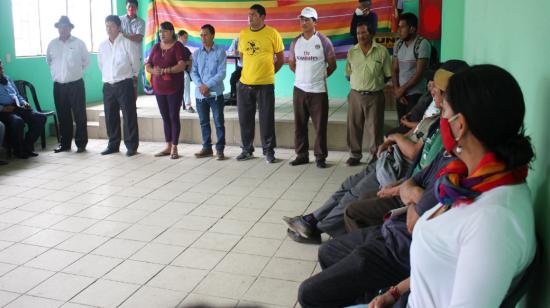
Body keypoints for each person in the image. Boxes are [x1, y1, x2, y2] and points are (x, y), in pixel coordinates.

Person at [371, 65, 536, 307]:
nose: (441, 115)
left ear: (460, 125)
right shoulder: (469, 181)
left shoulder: (494, 220)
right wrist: (394, 293)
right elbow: (442, 266)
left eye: (444, 109)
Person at [283, 60, 469, 244]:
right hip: (393, 159)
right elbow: (417, 132)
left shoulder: (446, 125)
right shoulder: (436, 111)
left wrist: (396, 138)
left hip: (399, 167)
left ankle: (318, 228)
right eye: (433, 84)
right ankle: (311, 220)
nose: (432, 88)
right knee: (348, 185)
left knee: (353, 197)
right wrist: (393, 139)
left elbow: (416, 156)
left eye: (437, 86)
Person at [288, 7, 336, 169]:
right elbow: (292, 64)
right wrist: (303, 77)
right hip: (299, 90)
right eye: (301, 19)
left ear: (315, 22)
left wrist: (318, 77)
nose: (303, 23)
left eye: (307, 19)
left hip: (318, 91)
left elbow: (333, 65)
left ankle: (320, 157)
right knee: (299, 125)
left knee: (320, 126)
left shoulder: (323, 41)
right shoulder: (295, 42)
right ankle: (301, 155)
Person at [236, 3, 285, 163]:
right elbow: (242, 57)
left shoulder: (272, 33)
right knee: (245, 119)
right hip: (245, 84)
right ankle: (247, 149)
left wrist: (267, 73)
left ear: (263, 17)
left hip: (265, 85)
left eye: (253, 15)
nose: (249, 18)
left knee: (266, 119)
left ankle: (269, 151)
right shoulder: (243, 34)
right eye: (248, 15)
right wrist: (251, 72)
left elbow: (280, 58)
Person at [345, 22, 391, 166]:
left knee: (375, 127)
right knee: (353, 126)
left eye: (364, 32)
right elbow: (348, 74)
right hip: (355, 95)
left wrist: (374, 84)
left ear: (371, 34)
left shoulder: (382, 51)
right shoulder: (352, 52)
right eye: (358, 33)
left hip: (375, 96)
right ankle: (354, 154)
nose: (360, 36)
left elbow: (387, 74)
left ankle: (375, 155)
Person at [145, 22, 189, 159]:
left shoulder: (177, 46)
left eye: (164, 31)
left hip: (174, 88)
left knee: (173, 116)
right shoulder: (156, 47)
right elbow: (148, 65)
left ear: (171, 32)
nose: (161, 34)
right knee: (165, 117)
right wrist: (153, 71)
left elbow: (181, 66)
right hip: (159, 88)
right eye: (160, 32)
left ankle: (175, 147)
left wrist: (166, 70)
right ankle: (167, 146)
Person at [46, 16, 90, 154]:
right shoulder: (52, 44)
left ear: (70, 28)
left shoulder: (79, 43)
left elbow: (86, 62)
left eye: (65, 26)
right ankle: (64, 144)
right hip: (58, 86)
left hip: (76, 85)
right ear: (58, 28)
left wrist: (73, 73)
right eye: (60, 26)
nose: (63, 29)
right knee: (63, 116)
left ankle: (81, 144)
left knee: (80, 115)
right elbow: (49, 61)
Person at [98, 15, 140, 156]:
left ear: (118, 27)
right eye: (107, 26)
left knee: (129, 115)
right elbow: (101, 65)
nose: (108, 29)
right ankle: (113, 144)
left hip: (124, 84)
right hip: (108, 86)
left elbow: (136, 63)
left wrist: (132, 76)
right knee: (110, 116)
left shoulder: (127, 43)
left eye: (111, 26)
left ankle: (131, 146)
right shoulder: (103, 45)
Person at [191, 24, 227, 160]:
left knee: (218, 122)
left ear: (212, 35)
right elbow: (193, 72)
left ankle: (220, 149)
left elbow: (222, 73)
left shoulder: (220, 52)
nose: (203, 37)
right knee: (203, 122)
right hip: (200, 94)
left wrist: (207, 85)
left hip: (215, 94)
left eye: (205, 34)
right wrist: (201, 86)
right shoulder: (196, 53)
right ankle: (207, 148)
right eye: (201, 35)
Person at [0, 59, 46, 159]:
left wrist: (25, 103)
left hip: (17, 106)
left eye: (1, 65)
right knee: (18, 122)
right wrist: (2, 108)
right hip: (4, 111)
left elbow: (17, 95)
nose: (1, 68)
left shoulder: (7, 78)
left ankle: (27, 146)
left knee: (40, 118)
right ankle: (18, 150)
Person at [392, 13, 431, 123]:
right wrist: (397, 90)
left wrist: (401, 90)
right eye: (398, 27)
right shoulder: (398, 44)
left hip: (416, 95)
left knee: (412, 126)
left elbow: (419, 74)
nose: (398, 30)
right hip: (400, 94)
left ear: (412, 29)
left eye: (402, 27)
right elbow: (394, 70)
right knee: (401, 124)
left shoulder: (422, 44)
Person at [120, 0, 145, 99]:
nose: (131, 9)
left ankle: (133, 103)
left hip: (135, 55)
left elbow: (139, 38)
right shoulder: (119, 19)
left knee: (134, 80)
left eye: (134, 7)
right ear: (126, 7)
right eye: (129, 6)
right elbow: (117, 35)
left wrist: (124, 35)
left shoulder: (141, 22)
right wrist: (131, 36)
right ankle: (123, 102)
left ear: (137, 8)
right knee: (122, 79)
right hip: (122, 54)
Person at [177, 30, 195, 113]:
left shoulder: (185, 49)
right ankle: (188, 104)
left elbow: (191, 60)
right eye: (185, 37)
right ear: (179, 37)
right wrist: (185, 63)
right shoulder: (174, 47)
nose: (186, 39)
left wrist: (189, 64)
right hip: (175, 71)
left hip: (185, 70)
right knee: (185, 77)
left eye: (187, 37)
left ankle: (205, 101)